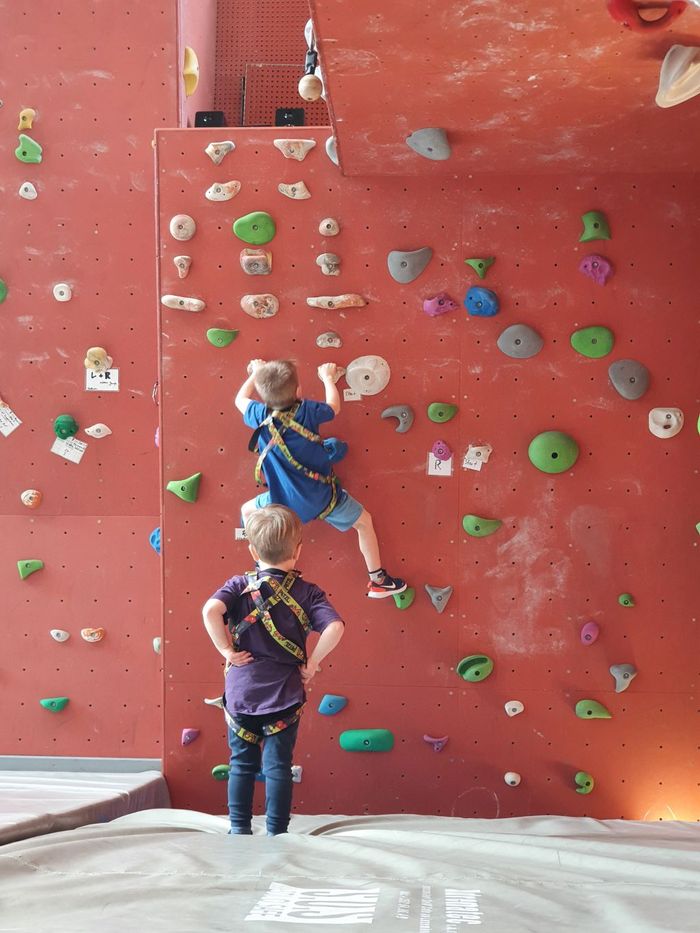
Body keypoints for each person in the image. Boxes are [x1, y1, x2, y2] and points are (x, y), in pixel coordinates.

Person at [202, 504, 344, 836]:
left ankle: (238, 829)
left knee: (241, 764)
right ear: (298, 551)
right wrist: (313, 663)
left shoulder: (238, 585)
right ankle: (276, 833)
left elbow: (210, 610)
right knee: (278, 766)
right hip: (284, 693)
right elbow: (334, 628)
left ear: (252, 550)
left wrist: (226, 650)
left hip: (242, 691)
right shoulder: (309, 593)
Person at [235, 358, 407, 599]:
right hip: (323, 499)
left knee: (246, 510)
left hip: (281, 505)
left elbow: (239, 399)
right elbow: (333, 407)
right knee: (364, 523)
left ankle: (262, 565)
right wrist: (327, 378)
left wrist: (255, 372)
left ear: (263, 395)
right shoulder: (306, 410)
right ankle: (378, 579)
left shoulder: (258, 413)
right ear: (298, 391)